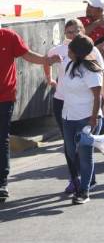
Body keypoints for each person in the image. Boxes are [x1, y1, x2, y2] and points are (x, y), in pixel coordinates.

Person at [45, 19, 104, 193]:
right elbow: (49, 66)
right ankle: (76, 178)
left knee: (84, 150)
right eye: (69, 32)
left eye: (76, 32)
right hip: (68, 112)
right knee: (71, 149)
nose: (71, 36)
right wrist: (50, 77)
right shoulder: (68, 61)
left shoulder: (91, 64)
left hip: (87, 115)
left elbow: (98, 93)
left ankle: (85, 187)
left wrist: (98, 114)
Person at [1, 28, 62, 201]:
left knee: (2, 138)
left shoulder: (9, 36)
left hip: (4, 98)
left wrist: (47, 60)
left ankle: (2, 183)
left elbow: (27, 55)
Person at [58, 35, 104, 205]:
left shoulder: (90, 70)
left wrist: (93, 119)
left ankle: (84, 191)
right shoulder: (70, 65)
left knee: (85, 155)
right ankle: (78, 182)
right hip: (68, 117)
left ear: (78, 52)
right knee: (70, 152)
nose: (68, 51)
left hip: (87, 118)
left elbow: (97, 97)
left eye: (71, 49)